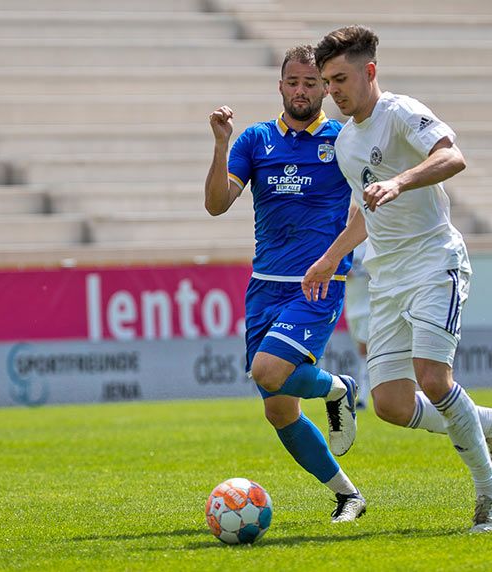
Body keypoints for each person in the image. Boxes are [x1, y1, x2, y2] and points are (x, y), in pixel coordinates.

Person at [302, 25, 492, 533]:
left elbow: (452, 155)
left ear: (369, 71)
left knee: (432, 377)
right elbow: (364, 210)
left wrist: (400, 180)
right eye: (327, 81)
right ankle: (491, 423)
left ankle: (491, 496)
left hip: (433, 261)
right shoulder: (347, 143)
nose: (332, 91)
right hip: (388, 278)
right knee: (391, 406)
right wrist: (330, 258)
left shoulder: (398, 112)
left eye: (340, 79)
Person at [204, 45, 365, 523]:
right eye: (293, 83)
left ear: (325, 88)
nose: (301, 91)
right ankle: (347, 495)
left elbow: (367, 209)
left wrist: (334, 258)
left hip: (317, 283)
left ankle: (337, 388)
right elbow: (216, 204)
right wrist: (219, 144)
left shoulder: (343, 139)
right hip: (264, 286)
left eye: (311, 84)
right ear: (280, 86)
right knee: (278, 411)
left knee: (266, 370)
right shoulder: (254, 140)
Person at [344, 237, 371, 409]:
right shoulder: (346, 244)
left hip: (368, 307)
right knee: (362, 352)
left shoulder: (371, 245)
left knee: (365, 351)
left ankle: (363, 397)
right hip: (351, 307)